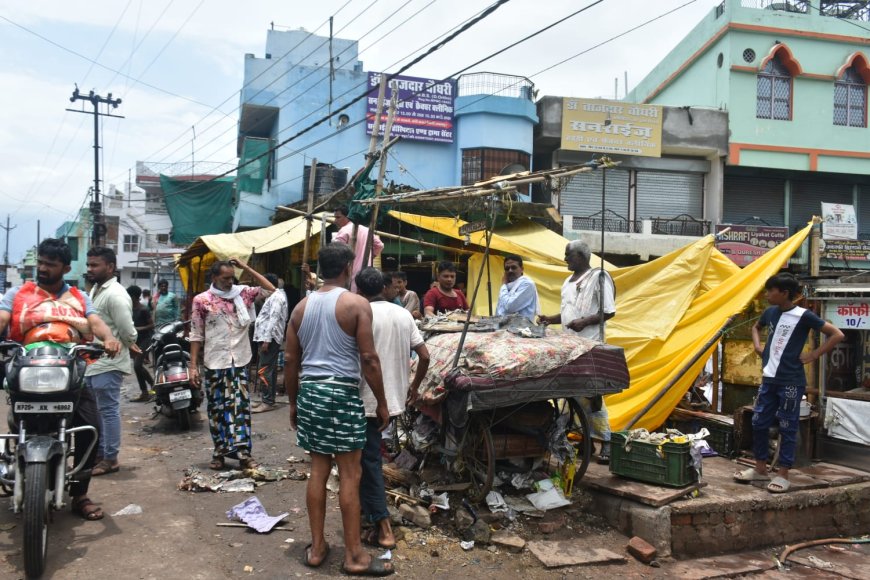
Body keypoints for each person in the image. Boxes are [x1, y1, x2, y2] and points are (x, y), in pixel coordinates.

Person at [284, 243, 394, 576]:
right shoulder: (356, 304)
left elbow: (290, 360)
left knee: (318, 469)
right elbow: (369, 359)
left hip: (311, 393)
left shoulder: (301, 307)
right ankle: (354, 556)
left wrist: (292, 402)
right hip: (342, 393)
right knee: (350, 473)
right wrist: (383, 402)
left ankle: (317, 549)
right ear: (348, 268)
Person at [0, 238, 123, 520]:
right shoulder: (18, 294)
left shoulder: (79, 298)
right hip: (28, 363)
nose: (42, 268)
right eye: (40, 262)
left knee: (91, 425)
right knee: (15, 408)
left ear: (66, 268)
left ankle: (80, 494)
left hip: (69, 365)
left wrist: (109, 338)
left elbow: (95, 322)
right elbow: (3, 318)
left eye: (50, 264)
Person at [735, 273, 843, 493]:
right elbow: (756, 327)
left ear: (784, 293)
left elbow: (836, 334)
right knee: (758, 422)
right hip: (769, 378)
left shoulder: (804, 315)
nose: (766, 295)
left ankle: (783, 474)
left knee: (788, 426)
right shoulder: (770, 312)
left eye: (770, 291)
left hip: (791, 381)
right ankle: (760, 469)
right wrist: (757, 346)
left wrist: (813, 355)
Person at [355, 268, 429, 550]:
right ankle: (371, 515)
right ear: (385, 287)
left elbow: (365, 360)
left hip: (368, 400)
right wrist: (413, 386)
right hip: (394, 398)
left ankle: (381, 524)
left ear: (360, 291)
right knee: (371, 458)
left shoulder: (362, 314)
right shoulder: (403, 315)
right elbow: (424, 355)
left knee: (368, 462)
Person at [189, 258, 275, 470]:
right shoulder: (202, 300)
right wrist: (193, 366)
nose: (230, 282)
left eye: (232, 278)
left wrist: (245, 267)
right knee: (217, 408)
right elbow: (196, 334)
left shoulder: (243, 293)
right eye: (225, 278)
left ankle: (244, 453)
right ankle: (219, 453)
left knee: (240, 408)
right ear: (214, 277)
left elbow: (271, 289)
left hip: (239, 360)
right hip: (214, 361)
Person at [538, 240, 616, 464]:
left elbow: (608, 311)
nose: (565, 259)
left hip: (589, 345)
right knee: (573, 396)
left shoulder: (599, 277)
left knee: (593, 397)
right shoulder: (567, 282)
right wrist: (550, 320)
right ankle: (586, 443)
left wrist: (585, 322)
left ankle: (606, 442)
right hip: (568, 346)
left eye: (568, 255)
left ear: (581, 257)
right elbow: (567, 312)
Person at [85, 246, 139, 476]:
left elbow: (128, 329)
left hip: (109, 362)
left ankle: (110, 459)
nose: (90, 269)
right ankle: (100, 455)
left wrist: (129, 342)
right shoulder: (97, 289)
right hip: (93, 363)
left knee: (107, 411)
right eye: (88, 265)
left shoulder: (115, 294)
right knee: (95, 412)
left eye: (94, 265)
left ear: (110, 267)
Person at [251, 273, 287, 413]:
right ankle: (268, 399)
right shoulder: (273, 296)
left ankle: (267, 401)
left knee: (264, 370)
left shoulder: (277, 297)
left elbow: (274, 319)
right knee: (268, 370)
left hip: (269, 339)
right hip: (267, 338)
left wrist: (267, 339)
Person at [333, 205, 384, 292]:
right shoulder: (366, 230)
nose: (335, 221)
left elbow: (337, 252)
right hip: (367, 272)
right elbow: (380, 245)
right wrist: (370, 257)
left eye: (338, 217)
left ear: (347, 217)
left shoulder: (344, 230)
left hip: (350, 273)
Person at [127, 284, 155, 402]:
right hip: (135, 341)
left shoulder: (143, 309)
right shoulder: (128, 309)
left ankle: (148, 390)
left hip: (145, 339)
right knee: (138, 367)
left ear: (133, 296)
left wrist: (139, 328)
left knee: (137, 365)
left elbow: (151, 325)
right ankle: (151, 388)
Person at [496, 254, 540, 319]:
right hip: (504, 327)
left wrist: (503, 285)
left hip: (520, 328)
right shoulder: (508, 287)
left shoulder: (527, 284)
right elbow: (499, 311)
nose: (510, 270)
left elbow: (510, 307)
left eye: (513, 267)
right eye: (507, 268)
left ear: (522, 269)